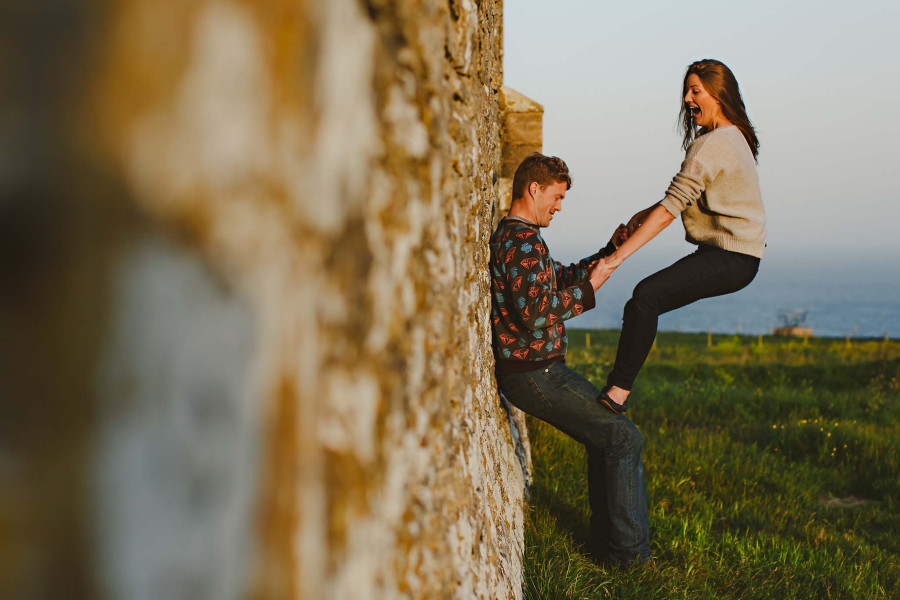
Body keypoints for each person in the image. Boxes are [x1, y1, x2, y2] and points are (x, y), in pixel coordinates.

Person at [489, 152, 652, 567]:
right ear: (534, 189)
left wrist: (608, 250)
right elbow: (535, 312)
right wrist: (590, 289)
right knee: (623, 437)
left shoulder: (523, 238)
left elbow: (558, 277)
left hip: (540, 371)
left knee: (608, 437)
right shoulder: (518, 240)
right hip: (534, 375)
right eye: (557, 197)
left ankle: (608, 543)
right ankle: (630, 558)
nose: (559, 207)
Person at [597, 59, 766, 412]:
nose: (688, 99)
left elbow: (670, 211)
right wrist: (644, 214)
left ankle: (616, 395)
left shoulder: (714, 143)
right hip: (731, 254)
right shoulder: (731, 136)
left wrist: (615, 260)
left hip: (731, 256)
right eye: (686, 91)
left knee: (646, 298)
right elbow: (681, 198)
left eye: (696, 91)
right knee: (647, 298)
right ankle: (617, 392)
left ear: (718, 94)